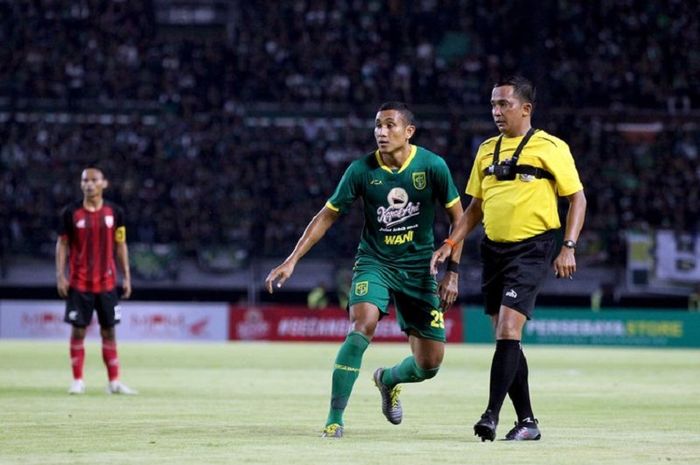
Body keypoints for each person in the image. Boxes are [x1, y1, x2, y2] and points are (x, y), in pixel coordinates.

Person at [265, 102, 464, 438]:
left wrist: (453, 272)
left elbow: (460, 219)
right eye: (377, 126)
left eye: (389, 125)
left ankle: (387, 380)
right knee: (362, 324)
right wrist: (292, 259)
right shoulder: (361, 170)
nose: (381, 132)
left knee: (429, 365)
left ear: (409, 131)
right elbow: (326, 215)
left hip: (419, 270)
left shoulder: (432, 166)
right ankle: (334, 418)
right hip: (376, 263)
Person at [431, 76, 586, 441]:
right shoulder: (486, 150)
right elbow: (475, 209)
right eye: (493, 105)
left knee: (507, 331)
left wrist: (569, 245)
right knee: (507, 339)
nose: (497, 112)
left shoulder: (551, 147)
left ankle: (491, 415)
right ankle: (528, 422)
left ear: (526, 109)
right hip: (494, 249)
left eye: (504, 104)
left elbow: (577, 198)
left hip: (533, 247)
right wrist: (452, 243)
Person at [56, 166, 137, 395]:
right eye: (85, 180)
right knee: (78, 331)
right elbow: (62, 244)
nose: (89, 184)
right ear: (81, 184)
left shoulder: (115, 212)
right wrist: (60, 275)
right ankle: (78, 380)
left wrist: (127, 276)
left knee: (109, 331)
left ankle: (114, 382)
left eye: (94, 180)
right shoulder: (70, 213)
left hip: (107, 283)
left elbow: (121, 244)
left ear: (104, 183)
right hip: (80, 283)